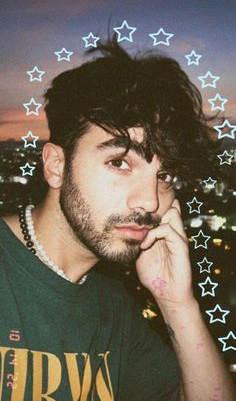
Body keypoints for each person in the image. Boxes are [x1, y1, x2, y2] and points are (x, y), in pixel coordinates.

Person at [0, 37, 235, 401]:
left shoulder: (113, 309)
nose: (150, 201)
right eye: (120, 162)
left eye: (166, 175)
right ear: (56, 166)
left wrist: (176, 303)